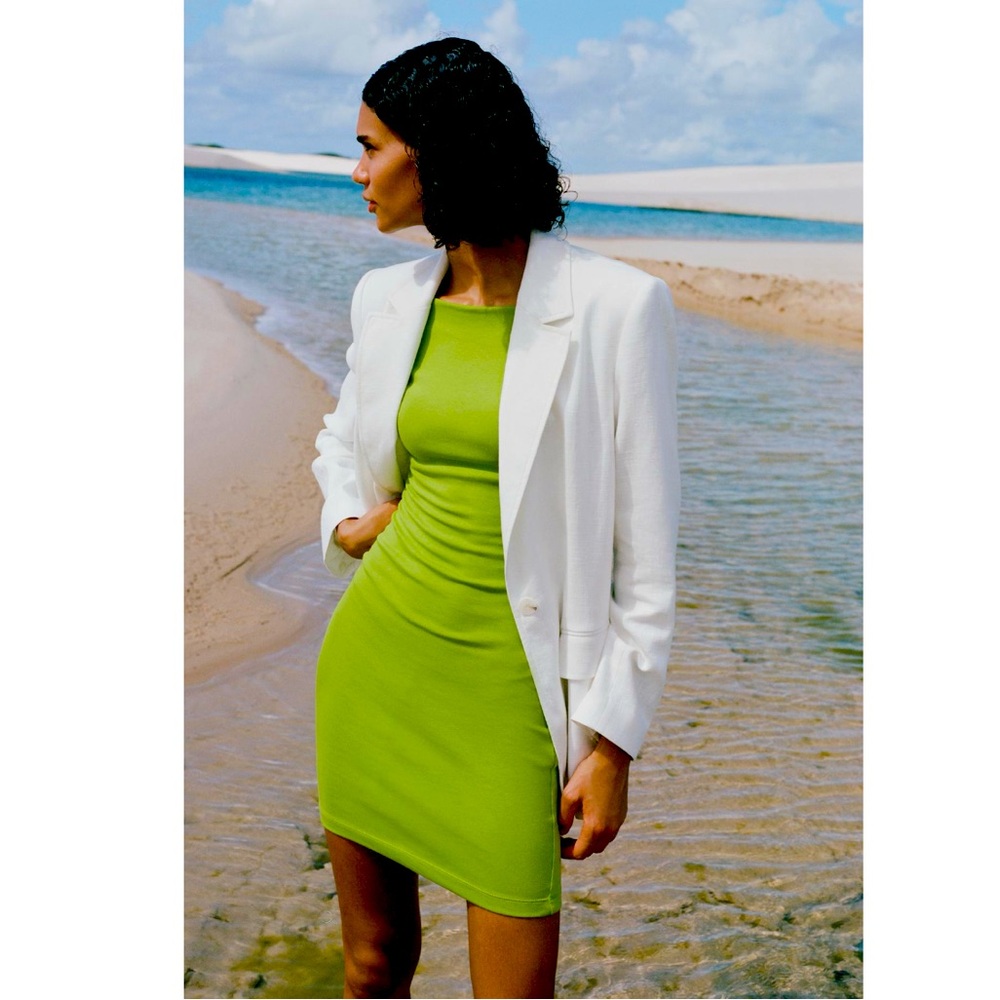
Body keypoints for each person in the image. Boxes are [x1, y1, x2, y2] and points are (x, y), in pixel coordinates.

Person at [312, 37, 679, 999]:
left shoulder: (617, 307)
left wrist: (614, 744)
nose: (357, 172)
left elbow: (646, 567)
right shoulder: (386, 297)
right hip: (377, 664)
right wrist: (349, 524)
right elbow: (342, 438)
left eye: (370, 147)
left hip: (515, 695)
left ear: (436, 152)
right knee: (371, 966)